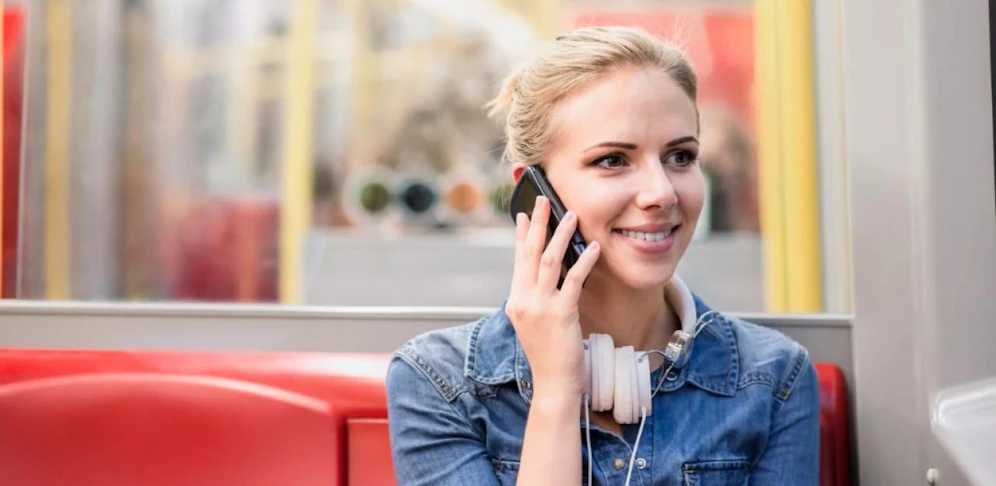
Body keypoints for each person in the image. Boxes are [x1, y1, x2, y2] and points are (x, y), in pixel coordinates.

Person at [385, 26, 819, 485]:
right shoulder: (437, 383)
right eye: (613, 160)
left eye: (680, 156)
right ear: (536, 193)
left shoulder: (773, 378)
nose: (661, 191)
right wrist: (554, 392)